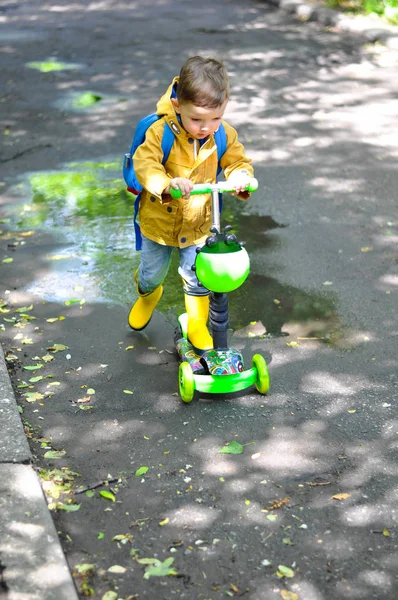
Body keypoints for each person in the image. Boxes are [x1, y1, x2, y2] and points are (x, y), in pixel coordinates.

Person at [128, 55, 254, 352]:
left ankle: (197, 323)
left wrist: (241, 177)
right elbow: (144, 164)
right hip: (159, 223)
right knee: (152, 274)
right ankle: (147, 293)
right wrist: (167, 184)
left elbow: (236, 160)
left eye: (215, 118)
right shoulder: (160, 133)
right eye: (196, 118)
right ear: (177, 106)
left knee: (197, 276)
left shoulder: (222, 134)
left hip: (198, 223)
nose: (205, 127)